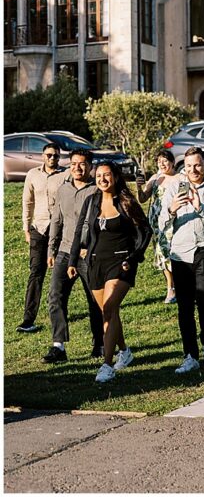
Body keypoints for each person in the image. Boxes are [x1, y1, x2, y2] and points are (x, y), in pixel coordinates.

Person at [68, 163, 151, 382]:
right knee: (109, 312)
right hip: (95, 263)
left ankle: (107, 364)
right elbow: (79, 231)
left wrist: (134, 257)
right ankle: (124, 351)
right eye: (98, 176)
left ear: (115, 177)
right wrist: (72, 260)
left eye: (107, 175)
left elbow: (146, 230)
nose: (102, 179)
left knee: (109, 308)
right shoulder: (91, 201)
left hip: (120, 263)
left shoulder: (126, 202)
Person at [159, 146, 204, 375]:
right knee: (185, 305)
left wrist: (201, 207)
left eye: (197, 165)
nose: (193, 170)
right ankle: (190, 355)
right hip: (180, 251)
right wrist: (172, 209)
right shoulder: (174, 187)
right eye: (189, 166)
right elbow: (161, 223)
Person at [44, 149, 104, 362]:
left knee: (95, 301)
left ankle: (100, 344)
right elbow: (56, 221)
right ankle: (58, 346)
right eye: (73, 164)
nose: (77, 168)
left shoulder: (97, 190)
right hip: (65, 250)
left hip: (89, 254)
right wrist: (51, 249)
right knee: (55, 296)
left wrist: (94, 247)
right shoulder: (63, 190)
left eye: (82, 164)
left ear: (90, 166)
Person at [18, 142, 66, 333]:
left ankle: (60, 312)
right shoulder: (33, 174)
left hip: (60, 230)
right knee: (36, 273)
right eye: (49, 155)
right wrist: (26, 229)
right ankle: (28, 319)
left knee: (60, 274)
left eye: (55, 155)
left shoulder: (66, 175)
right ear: (43, 156)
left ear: (59, 157)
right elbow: (27, 202)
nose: (52, 158)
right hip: (38, 228)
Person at [136, 150, 179, 304]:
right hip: (156, 223)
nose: (162, 164)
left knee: (174, 252)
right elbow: (143, 199)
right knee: (162, 253)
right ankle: (170, 288)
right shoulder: (155, 178)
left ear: (172, 162)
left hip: (174, 220)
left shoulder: (180, 178)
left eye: (165, 160)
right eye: (159, 161)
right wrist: (139, 187)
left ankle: (180, 284)